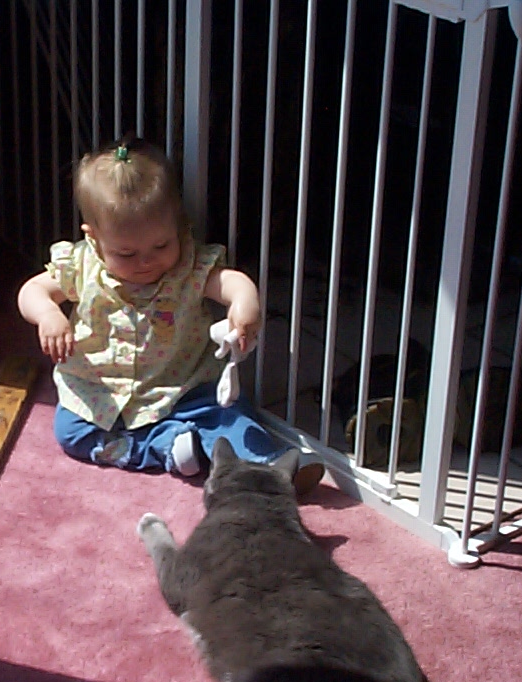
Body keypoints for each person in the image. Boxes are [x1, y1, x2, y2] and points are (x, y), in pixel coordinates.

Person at [17, 136, 324, 494]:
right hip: (100, 394)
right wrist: (48, 314)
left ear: (177, 226)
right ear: (95, 238)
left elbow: (229, 282)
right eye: (127, 254)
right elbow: (32, 291)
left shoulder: (188, 268)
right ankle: (164, 447)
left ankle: (272, 466)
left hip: (182, 389)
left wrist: (244, 304)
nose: (146, 261)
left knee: (228, 415)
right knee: (71, 432)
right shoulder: (80, 265)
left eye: (161, 245)